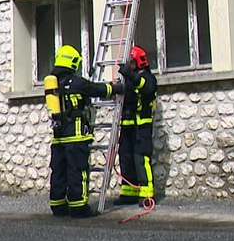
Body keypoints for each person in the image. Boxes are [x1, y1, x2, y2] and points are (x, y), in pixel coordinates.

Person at [44, 44, 115, 218]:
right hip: (75, 136)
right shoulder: (76, 82)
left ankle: (58, 205)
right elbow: (97, 90)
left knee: (59, 172)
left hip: (58, 138)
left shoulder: (52, 83)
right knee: (77, 171)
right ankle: (78, 207)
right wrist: (115, 88)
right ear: (73, 62)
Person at [115, 45, 158, 205]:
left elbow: (145, 88)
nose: (129, 65)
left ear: (138, 62)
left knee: (141, 159)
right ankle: (128, 193)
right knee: (126, 158)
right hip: (127, 126)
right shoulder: (130, 79)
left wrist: (128, 74)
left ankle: (147, 194)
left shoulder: (148, 78)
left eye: (131, 62)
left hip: (142, 127)